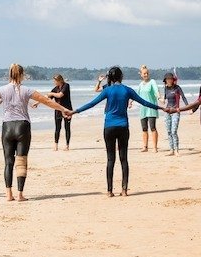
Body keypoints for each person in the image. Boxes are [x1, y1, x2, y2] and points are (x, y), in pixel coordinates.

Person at [0, 64, 71, 201]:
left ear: (9, 74)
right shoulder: (27, 90)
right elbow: (46, 101)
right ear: (22, 75)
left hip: (7, 127)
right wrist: (63, 109)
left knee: (8, 162)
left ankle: (9, 195)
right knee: (21, 161)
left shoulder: (2, 90)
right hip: (23, 126)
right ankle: (20, 194)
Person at [72, 66, 168, 197]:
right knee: (124, 159)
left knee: (110, 160)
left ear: (111, 77)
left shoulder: (108, 90)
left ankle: (109, 191)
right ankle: (124, 190)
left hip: (109, 127)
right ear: (121, 77)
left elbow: (92, 103)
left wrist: (75, 111)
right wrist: (161, 108)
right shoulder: (127, 90)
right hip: (123, 127)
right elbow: (144, 102)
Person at [33, 74, 72, 151]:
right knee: (57, 128)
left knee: (67, 128)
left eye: (55, 80)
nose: (54, 82)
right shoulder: (55, 88)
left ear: (59, 80)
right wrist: (37, 103)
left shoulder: (66, 86)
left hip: (67, 110)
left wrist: (51, 94)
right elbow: (46, 98)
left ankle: (67, 145)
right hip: (58, 111)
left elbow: (60, 95)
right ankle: (56, 145)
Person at [161, 72, 189, 156]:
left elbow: (183, 97)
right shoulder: (165, 88)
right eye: (167, 79)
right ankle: (171, 150)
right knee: (169, 131)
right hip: (167, 112)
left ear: (173, 80)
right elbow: (164, 100)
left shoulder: (177, 88)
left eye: (170, 79)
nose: (169, 80)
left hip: (176, 111)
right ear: (165, 80)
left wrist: (188, 108)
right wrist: (159, 98)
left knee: (174, 131)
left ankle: (176, 150)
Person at [133, 65, 159, 152]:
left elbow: (156, 91)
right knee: (144, 129)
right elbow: (136, 95)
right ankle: (145, 147)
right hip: (143, 109)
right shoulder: (140, 84)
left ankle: (155, 147)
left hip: (151, 108)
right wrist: (130, 102)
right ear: (141, 74)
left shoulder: (152, 82)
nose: (146, 74)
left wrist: (159, 97)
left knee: (153, 128)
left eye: (147, 73)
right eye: (144, 73)